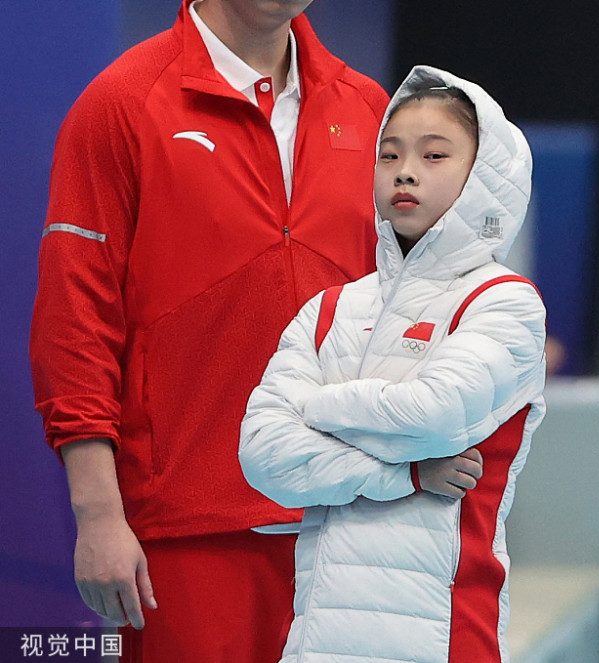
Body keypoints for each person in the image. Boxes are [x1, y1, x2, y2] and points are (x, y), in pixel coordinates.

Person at [29, 1, 388, 660]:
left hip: (348, 529)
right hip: (191, 534)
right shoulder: (121, 103)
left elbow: (399, 307)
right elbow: (74, 319)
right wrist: (98, 513)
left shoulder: (367, 109)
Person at [239, 65, 546, 662]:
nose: (405, 171)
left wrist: (315, 409)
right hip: (315, 643)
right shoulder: (330, 309)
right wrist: (404, 476)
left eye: (434, 156)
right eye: (389, 154)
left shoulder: (504, 302)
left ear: (484, 179)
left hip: (442, 638)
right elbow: (262, 456)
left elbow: (430, 416)